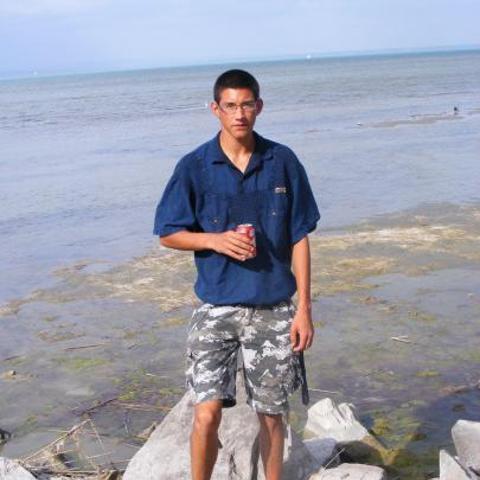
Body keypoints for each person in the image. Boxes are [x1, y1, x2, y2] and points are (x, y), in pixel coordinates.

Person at [153, 69, 320, 480]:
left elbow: (299, 237)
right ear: (215, 109)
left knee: (272, 415)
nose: (239, 114)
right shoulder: (194, 166)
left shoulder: (283, 161)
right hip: (216, 308)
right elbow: (168, 234)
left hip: (273, 308)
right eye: (230, 106)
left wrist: (304, 310)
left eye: (247, 105)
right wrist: (214, 240)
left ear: (259, 107)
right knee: (206, 413)